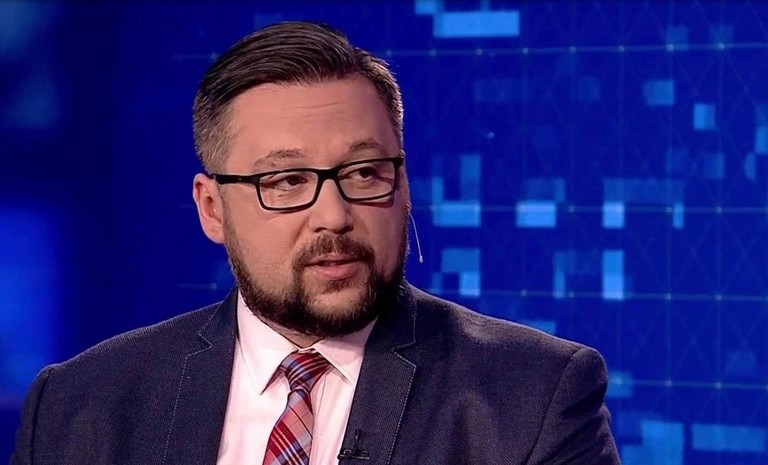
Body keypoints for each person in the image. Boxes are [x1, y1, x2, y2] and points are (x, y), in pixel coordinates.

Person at [11, 21, 621, 465]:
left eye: (365, 173)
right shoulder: (80, 406)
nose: (334, 215)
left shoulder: (533, 398)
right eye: (286, 181)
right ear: (212, 209)